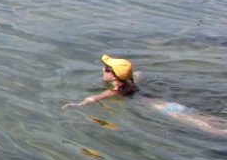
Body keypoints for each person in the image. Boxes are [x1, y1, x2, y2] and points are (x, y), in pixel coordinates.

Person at [64, 54, 227, 136]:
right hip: (166, 103)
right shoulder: (131, 82)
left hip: (162, 109)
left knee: (205, 126)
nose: (103, 69)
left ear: (113, 76)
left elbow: (94, 98)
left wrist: (77, 104)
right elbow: (139, 74)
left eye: (106, 69)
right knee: (206, 118)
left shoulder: (115, 91)